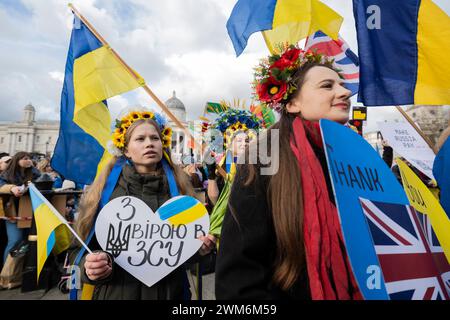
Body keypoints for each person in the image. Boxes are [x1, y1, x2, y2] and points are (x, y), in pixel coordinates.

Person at [215, 46, 361, 300]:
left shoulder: (358, 157)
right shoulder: (263, 159)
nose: (345, 92)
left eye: (342, 85)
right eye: (328, 86)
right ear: (292, 103)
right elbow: (238, 280)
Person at [74, 108, 215, 300]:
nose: (149, 144)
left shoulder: (180, 193)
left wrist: (200, 250)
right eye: (140, 139)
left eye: (155, 138)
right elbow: (81, 246)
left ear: (162, 144)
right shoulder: (103, 194)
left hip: (171, 293)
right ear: (125, 149)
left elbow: (183, 252)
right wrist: (91, 268)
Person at [206, 108, 262, 238]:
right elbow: (215, 201)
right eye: (239, 141)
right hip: (226, 227)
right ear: (229, 145)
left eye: (247, 141)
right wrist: (211, 175)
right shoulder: (221, 169)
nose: (244, 144)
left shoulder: (257, 167)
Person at [0, 152, 41, 263]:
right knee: (15, 240)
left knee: (26, 241)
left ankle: (18, 269)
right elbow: (1, 184)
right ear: (17, 160)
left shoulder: (33, 173)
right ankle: (6, 270)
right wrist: (11, 188)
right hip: (13, 212)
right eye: (25, 158)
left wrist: (32, 167)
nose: (28, 160)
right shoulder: (7, 174)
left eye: (29, 158)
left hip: (28, 212)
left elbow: (41, 180)